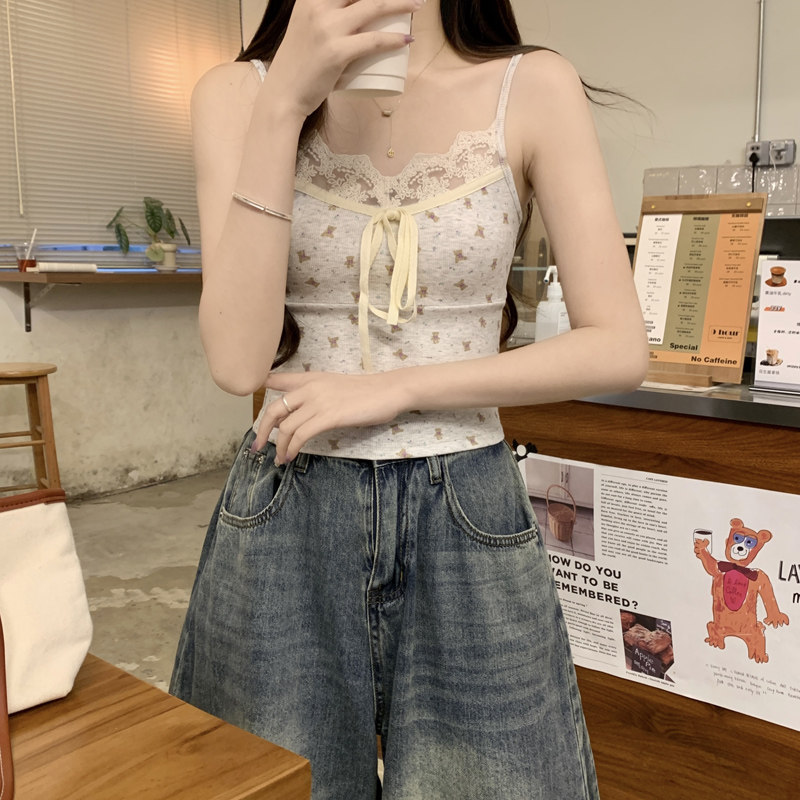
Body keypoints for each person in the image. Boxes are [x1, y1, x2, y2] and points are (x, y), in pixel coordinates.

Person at [170, 0, 648, 797]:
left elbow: (618, 345)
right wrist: (284, 103)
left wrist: (396, 388)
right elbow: (236, 359)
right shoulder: (238, 92)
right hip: (288, 499)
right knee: (271, 783)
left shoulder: (532, 85)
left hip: (468, 503)